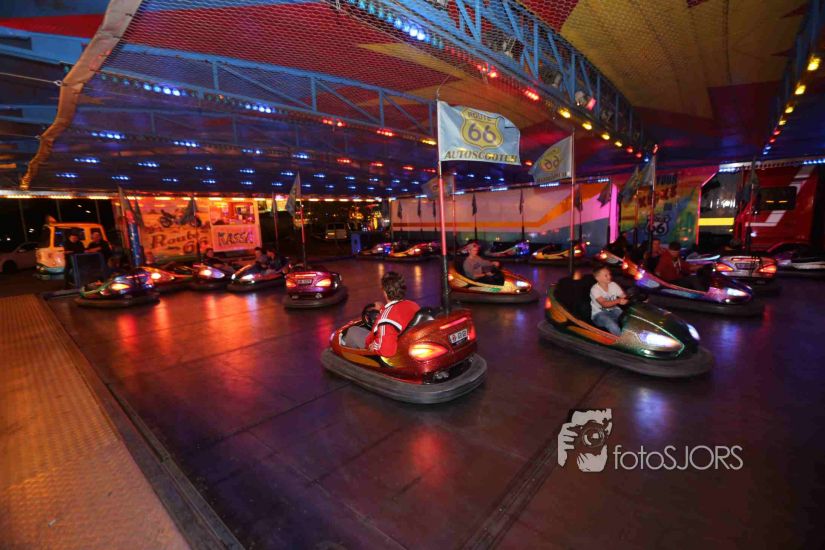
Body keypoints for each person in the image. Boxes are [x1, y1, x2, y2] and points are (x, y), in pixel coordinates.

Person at [347, 271, 420, 356]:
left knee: (352, 331)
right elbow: (397, 314)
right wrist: (382, 308)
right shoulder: (413, 305)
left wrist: (374, 345)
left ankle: (351, 358)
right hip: (404, 341)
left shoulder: (386, 320)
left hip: (375, 344)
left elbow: (387, 351)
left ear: (385, 292)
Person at [590, 265, 628, 336]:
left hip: (614, 310)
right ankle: (623, 340)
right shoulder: (595, 289)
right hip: (599, 314)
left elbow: (623, 296)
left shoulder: (613, 285)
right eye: (606, 275)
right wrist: (618, 301)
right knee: (611, 324)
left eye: (609, 274)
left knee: (628, 319)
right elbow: (604, 304)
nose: (609, 277)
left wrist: (627, 298)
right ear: (598, 278)